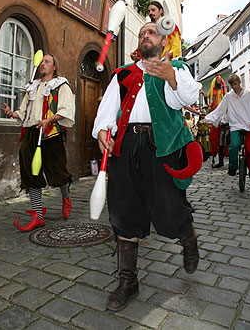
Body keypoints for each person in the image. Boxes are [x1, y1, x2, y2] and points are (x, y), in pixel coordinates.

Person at [93, 22, 202, 312]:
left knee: (168, 205)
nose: (145, 36)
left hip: (161, 146)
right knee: (124, 210)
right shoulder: (122, 73)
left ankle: (188, 239)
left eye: (151, 32)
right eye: (141, 34)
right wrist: (104, 132)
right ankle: (128, 281)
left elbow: (189, 97)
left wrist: (172, 78)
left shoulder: (175, 66)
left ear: (162, 39)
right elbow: (106, 111)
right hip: (126, 146)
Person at [1, 54, 75, 231]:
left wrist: (49, 120)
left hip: (50, 133)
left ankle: (65, 196)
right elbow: (24, 110)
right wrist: (12, 114)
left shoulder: (61, 85)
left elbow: (66, 109)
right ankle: (38, 215)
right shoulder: (32, 87)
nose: (42, 64)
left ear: (54, 67)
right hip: (31, 132)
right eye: (42, 62)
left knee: (57, 172)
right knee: (29, 173)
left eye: (46, 62)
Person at [205, 74, 250, 179]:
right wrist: (212, 120)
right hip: (235, 125)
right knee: (233, 146)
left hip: (249, 125)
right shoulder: (228, 96)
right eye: (232, 85)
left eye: (235, 84)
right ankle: (233, 166)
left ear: (239, 82)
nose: (234, 87)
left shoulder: (249, 94)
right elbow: (220, 109)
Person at [205, 75, 227, 167]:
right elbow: (207, 97)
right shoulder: (212, 90)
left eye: (219, 80)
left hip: (222, 112)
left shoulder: (222, 90)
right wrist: (207, 103)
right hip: (214, 110)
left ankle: (223, 156)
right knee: (214, 136)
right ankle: (215, 153)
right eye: (217, 80)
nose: (218, 81)